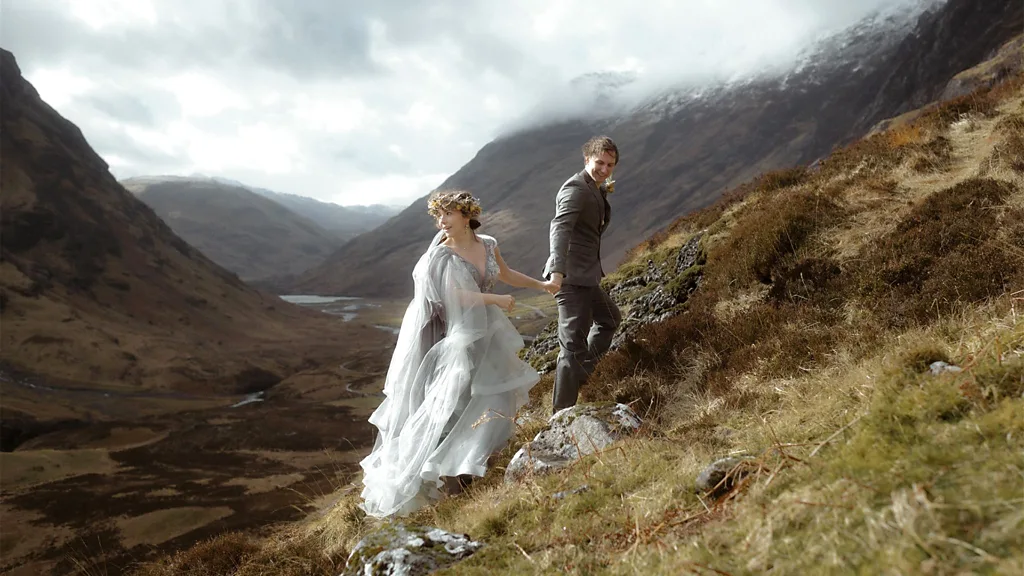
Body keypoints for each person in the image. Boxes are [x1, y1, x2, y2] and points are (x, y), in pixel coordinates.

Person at [359, 191, 554, 518]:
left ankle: (480, 464)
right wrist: (496, 301)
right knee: (454, 405)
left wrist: (541, 285)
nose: (442, 222)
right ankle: (451, 483)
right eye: (439, 216)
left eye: (448, 214)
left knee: (494, 398)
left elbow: (503, 274)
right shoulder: (442, 256)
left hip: (487, 334)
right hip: (458, 337)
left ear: (467, 215)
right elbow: (454, 296)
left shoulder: (488, 243)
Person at [542, 135, 623, 413]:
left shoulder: (596, 188)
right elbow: (560, 227)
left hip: (586, 276)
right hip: (570, 278)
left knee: (610, 318)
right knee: (572, 347)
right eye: (600, 162)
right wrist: (557, 270)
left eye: (610, 164)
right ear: (586, 159)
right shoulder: (575, 189)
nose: (604, 169)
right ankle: (562, 414)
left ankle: (584, 374)